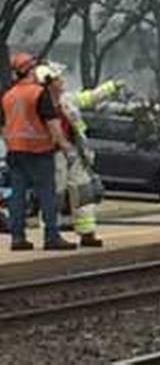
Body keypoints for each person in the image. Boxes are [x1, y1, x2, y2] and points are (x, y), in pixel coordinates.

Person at [37, 63, 124, 247]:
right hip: (53, 155)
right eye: (59, 78)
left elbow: (89, 98)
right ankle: (51, 234)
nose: (63, 81)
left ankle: (87, 233)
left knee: (83, 192)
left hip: (75, 153)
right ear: (49, 83)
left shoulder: (67, 100)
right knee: (54, 194)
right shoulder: (38, 103)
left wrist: (111, 87)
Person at [2, 53, 77, 251]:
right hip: (39, 151)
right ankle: (51, 236)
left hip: (15, 152)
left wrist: (10, 143)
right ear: (29, 69)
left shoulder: (8, 96)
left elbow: (3, 126)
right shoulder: (38, 93)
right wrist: (65, 146)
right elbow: (52, 123)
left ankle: (18, 238)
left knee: (17, 195)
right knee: (47, 194)